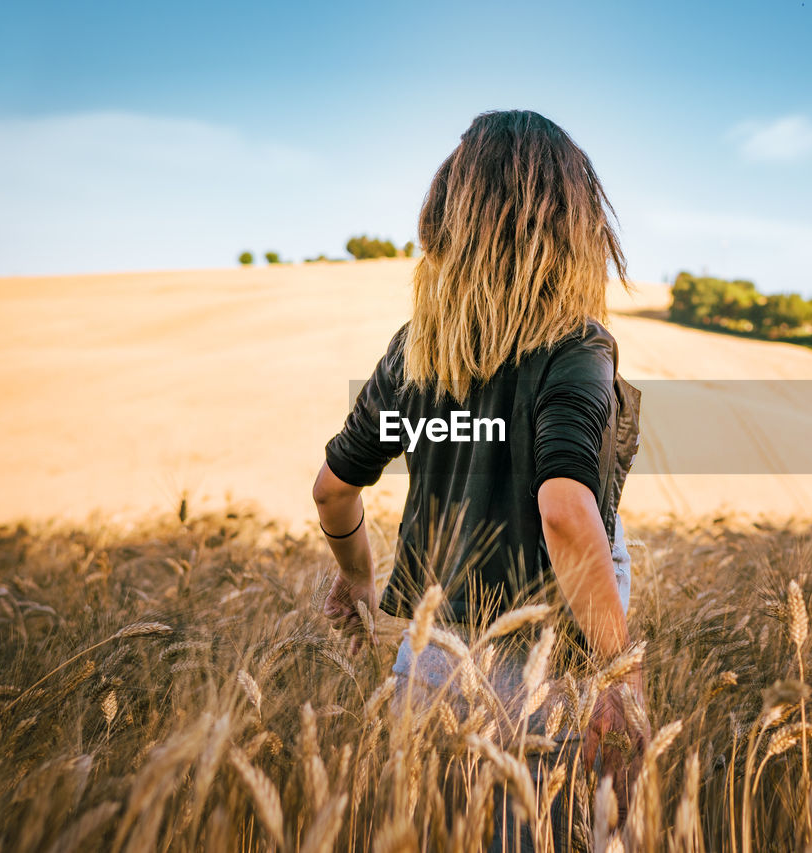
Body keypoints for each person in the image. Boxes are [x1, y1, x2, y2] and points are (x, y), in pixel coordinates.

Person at [311, 109, 646, 850]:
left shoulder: (413, 352)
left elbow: (333, 490)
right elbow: (564, 510)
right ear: (571, 220)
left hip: (427, 667)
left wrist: (360, 579)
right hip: (547, 674)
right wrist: (620, 677)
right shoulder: (576, 346)